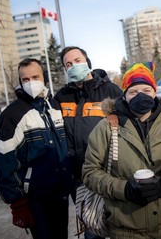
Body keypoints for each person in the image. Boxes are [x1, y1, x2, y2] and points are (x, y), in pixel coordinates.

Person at [82, 62, 161, 239]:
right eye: (133, 92)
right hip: (125, 231)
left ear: (155, 93)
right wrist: (125, 189)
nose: (140, 96)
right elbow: (89, 173)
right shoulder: (106, 127)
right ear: (124, 95)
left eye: (146, 91)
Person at [0, 58, 73, 239]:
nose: (30, 82)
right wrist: (17, 203)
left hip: (60, 192)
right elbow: (4, 161)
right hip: (36, 197)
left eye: (35, 77)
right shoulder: (12, 114)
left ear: (44, 78)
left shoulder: (54, 107)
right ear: (20, 82)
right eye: (25, 79)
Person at [53, 46, 122, 239]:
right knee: (92, 229)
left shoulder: (111, 90)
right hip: (80, 178)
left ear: (87, 62)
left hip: (111, 173)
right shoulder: (61, 97)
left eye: (77, 60)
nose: (73, 66)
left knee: (121, 226)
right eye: (68, 64)